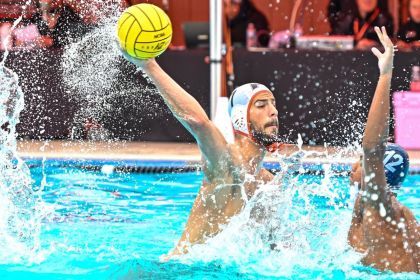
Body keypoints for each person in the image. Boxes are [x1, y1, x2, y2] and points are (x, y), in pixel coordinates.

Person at [121, 48, 289, 256]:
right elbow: (198, 122)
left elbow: (277, 248)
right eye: (261, 105)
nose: (273, 111)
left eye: (273, 104)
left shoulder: (269, 184)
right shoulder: (226, 161)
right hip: (180, 271)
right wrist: (149, 65)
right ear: (240, 117)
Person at [347, 26, 419, 273]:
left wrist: (385, 75)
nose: (353, 167)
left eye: (359, 161)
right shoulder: (403, 218)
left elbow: (371, 148)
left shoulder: (379, 208)